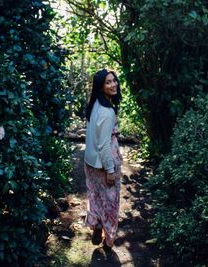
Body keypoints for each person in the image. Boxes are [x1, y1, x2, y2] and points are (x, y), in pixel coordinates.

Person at [84, 68, 122, 251]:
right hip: (105, 162)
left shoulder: (94, 105)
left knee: (95, 197)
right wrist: (110, 170)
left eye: (114, 80)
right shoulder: (108, 113)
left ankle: (97, 224)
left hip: (90, 161)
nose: (113, 84)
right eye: (108, 82)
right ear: (101, 87)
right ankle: (109, 239)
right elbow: (104, 145)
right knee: (111, 203)